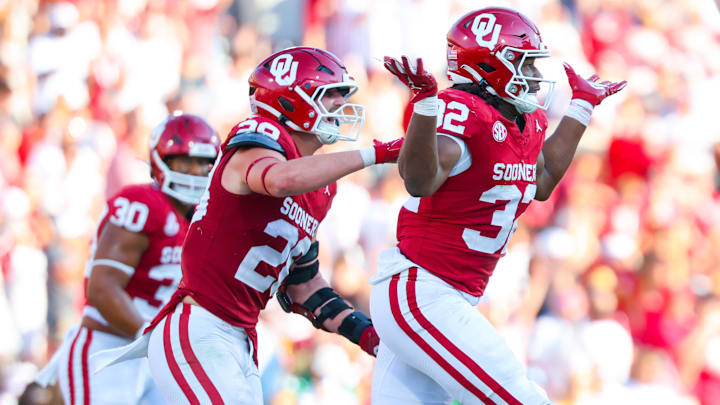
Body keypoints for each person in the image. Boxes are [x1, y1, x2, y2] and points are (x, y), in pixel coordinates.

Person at [102, 46, 400, 405]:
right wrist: (375, 155)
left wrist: (372, 338)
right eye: (328, 94)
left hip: (241, 339)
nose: (340, 104)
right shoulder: (259, 134)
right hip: (200, 325)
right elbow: (278, 180)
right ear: (291, 101)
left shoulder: (321, 186)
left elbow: (304, 289)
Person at [371, 7, 627, 405]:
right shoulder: (461, 110)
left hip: (447, 294)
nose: (535, 77)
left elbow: (541, 182)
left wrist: (582, 107)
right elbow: (421, 180)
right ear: (491, 67)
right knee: (517, 395)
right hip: (422, 289)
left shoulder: (529, 120)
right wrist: (424, 103)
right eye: (524, 64)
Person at [35, 112, 221, 404]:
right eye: (185, 161)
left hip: (155, 359)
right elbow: (102, 288)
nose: (195, 172)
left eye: (203, 163)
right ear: (162, 161)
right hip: (109, 350)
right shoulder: (142, 205)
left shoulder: (203, 220)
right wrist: (152, 338)